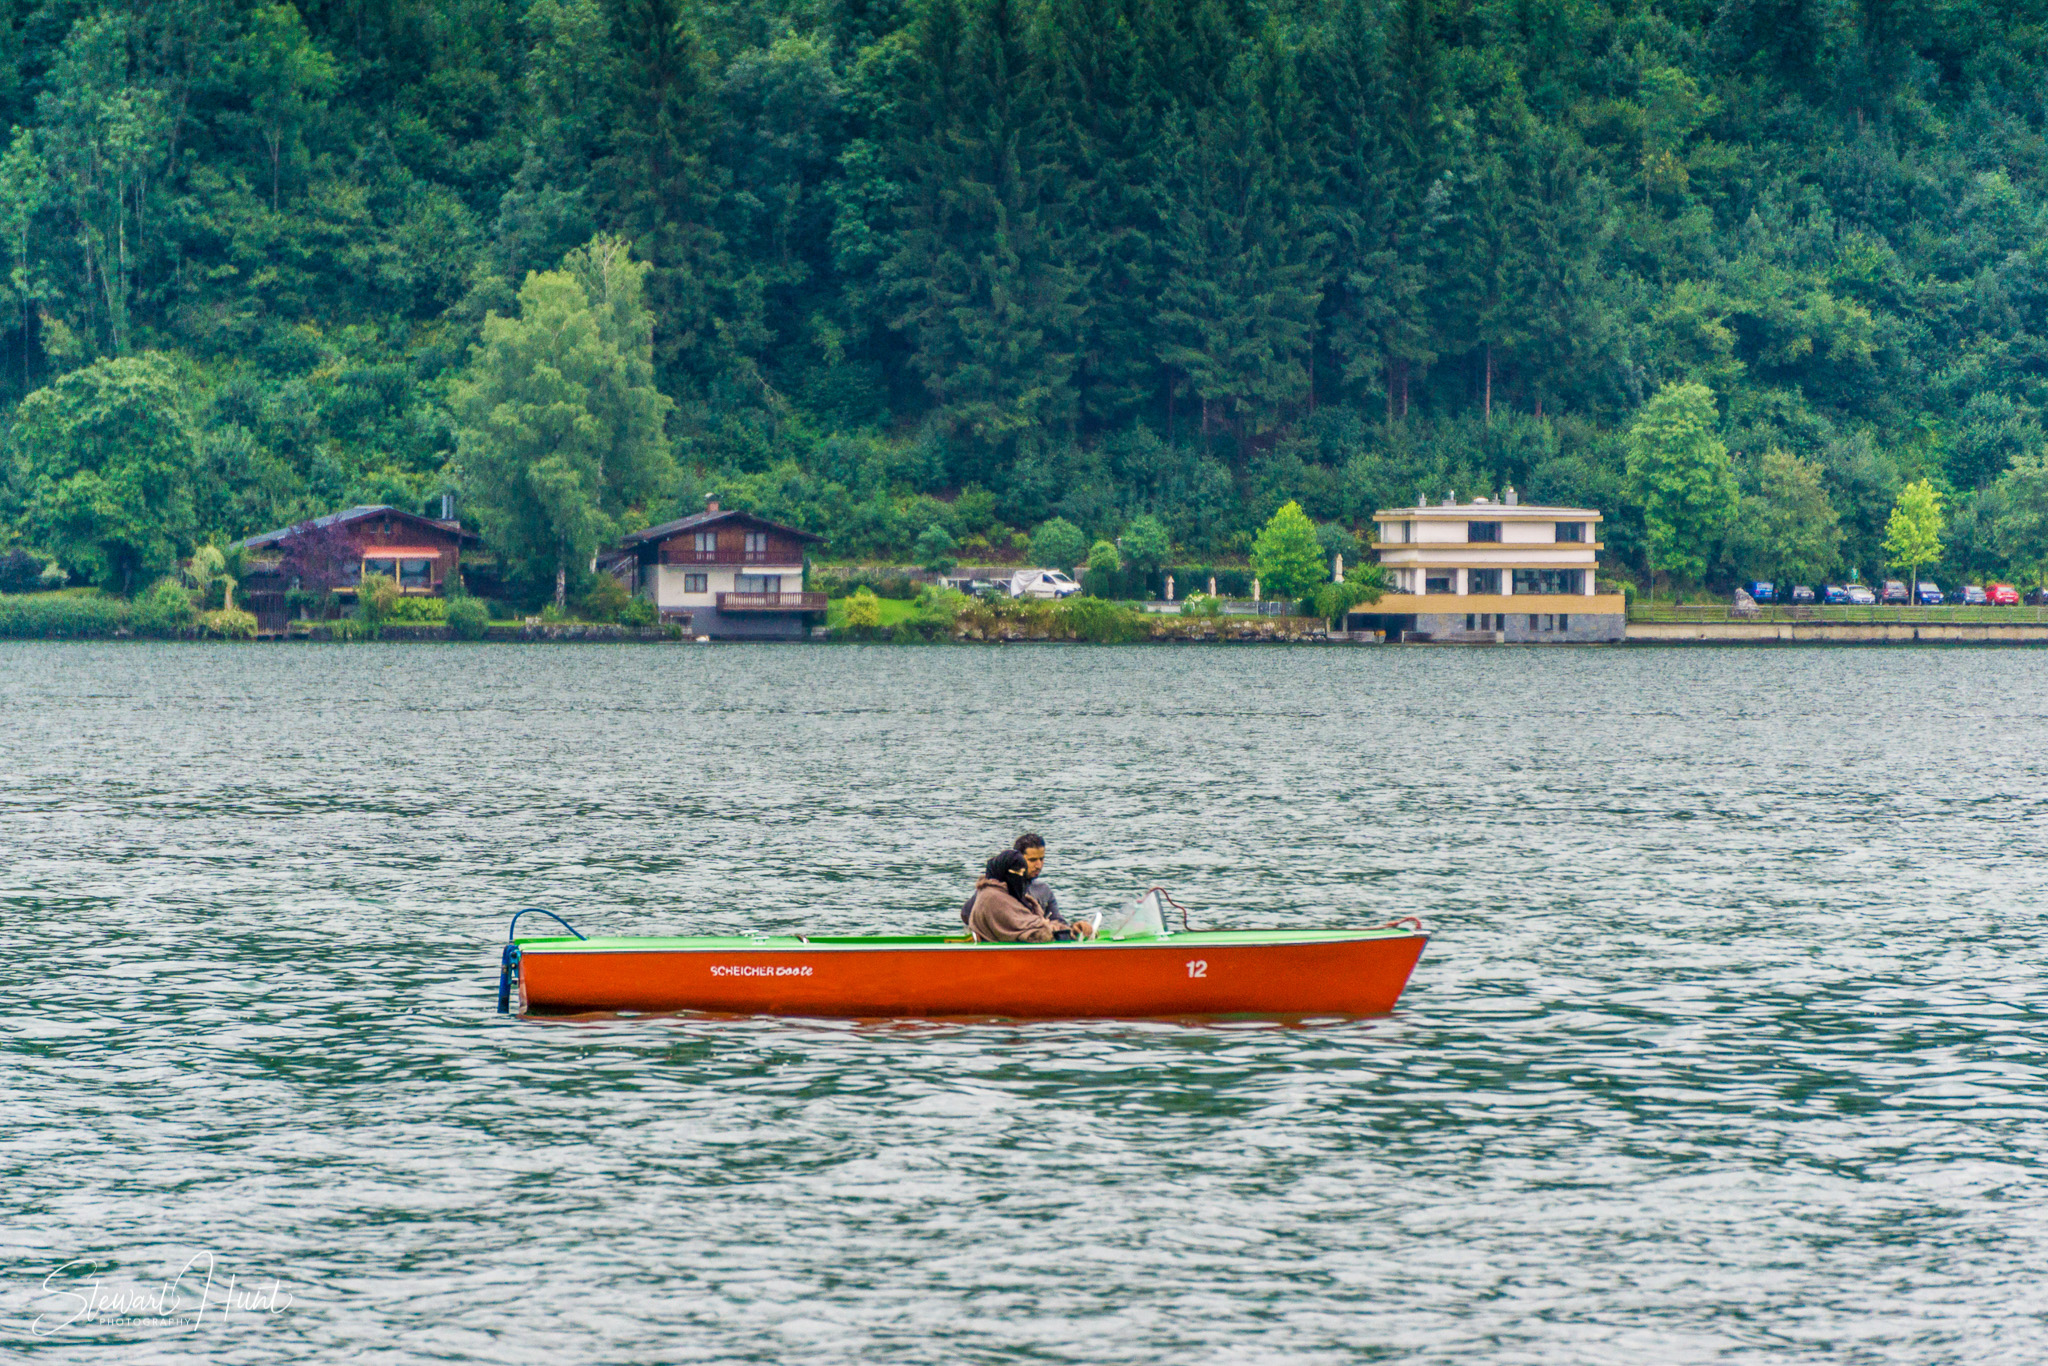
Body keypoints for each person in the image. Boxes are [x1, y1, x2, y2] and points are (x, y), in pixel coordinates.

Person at [966, 851, 1090, 943]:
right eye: (1015, 872)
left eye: (1022, 873)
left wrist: (1072, 929)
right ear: (1003, 871)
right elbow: (1032, 932)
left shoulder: (1009, 894)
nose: (1019, 877)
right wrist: (1049, 927)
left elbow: (1029, 922)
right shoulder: (993, 897)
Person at [960, 833, 1066, 928]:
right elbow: (966, 914)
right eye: (1032, 860)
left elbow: (1058, 920)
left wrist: (1061, 927)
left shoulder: (1043, 890)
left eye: (1041, 859)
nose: (1038, 865)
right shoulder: (996, 890)